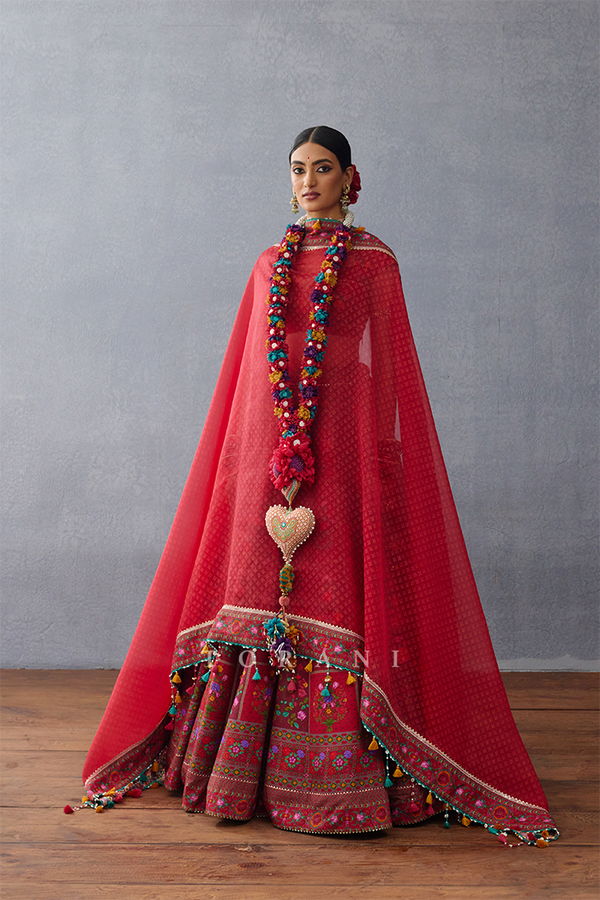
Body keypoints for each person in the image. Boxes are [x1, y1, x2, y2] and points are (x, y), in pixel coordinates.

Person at [79, 126, 557, 846]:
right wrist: (251, 458)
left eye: (323, 169)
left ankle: (345, 775)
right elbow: (249, 374)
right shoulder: (267, 263)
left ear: (349, 179)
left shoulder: (375, 263)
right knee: (254, 580)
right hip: (269, 442)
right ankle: (236, 770)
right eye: (298, 169)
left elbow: (389, 369)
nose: (308, 182)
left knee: (334, 580)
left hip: (344, 436)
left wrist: (381, 460)